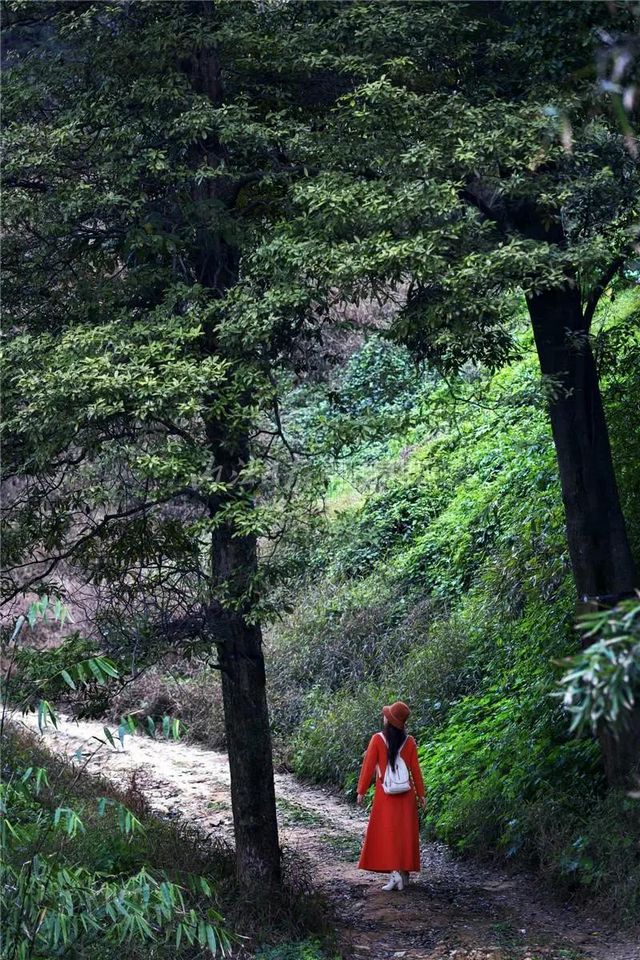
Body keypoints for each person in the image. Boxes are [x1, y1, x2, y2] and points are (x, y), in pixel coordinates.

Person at [356, 700, 426, 891]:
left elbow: (368, 767)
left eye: (386, 715)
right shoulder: (409, 741)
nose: (383, 717)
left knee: (387, 834)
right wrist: (421, 794)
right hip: (406, 796)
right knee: (404, 834)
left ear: (389, 720)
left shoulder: (377, 739)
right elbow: (415, 771)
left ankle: (395, 875)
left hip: (385, 796)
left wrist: (361, 790)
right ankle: (404, 874)